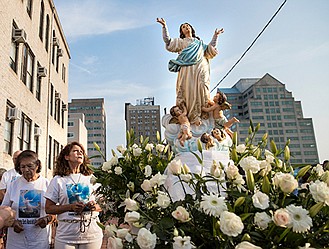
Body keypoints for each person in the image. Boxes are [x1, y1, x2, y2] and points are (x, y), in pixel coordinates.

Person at [157, 18, 224, 126]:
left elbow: (210, 48)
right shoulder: (181, 42)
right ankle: (189, 115)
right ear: (182, 32)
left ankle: (202, 113)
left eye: (187, 25)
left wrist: (216, 35)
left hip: (201, 66)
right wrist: (164, 26)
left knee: (202, 87)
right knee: (188, 89)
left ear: (191, 28)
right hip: (187, 69)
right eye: (183, 27)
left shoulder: (199, 43)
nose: (186, 27)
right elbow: (168, 41)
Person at [45, 142, 103, 249]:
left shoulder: (91, 178)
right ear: (66, 157)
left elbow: (102, 205)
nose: (79, 153)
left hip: (91, 234)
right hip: (66, 236)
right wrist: (70, 207)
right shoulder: (58, 180)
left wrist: (94, 207)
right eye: (75, 151)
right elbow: (48, 208)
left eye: (81, 151)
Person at [1, 150, 54, 249]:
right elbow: (4, 210)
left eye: (30, 166)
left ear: (37, 165)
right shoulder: (13, 185)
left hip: (40, 241)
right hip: (16, 242)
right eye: (23, 167)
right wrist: (13, 223)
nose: (26, 170)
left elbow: (54, 211)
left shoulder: (47, 184)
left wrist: (47, 219)